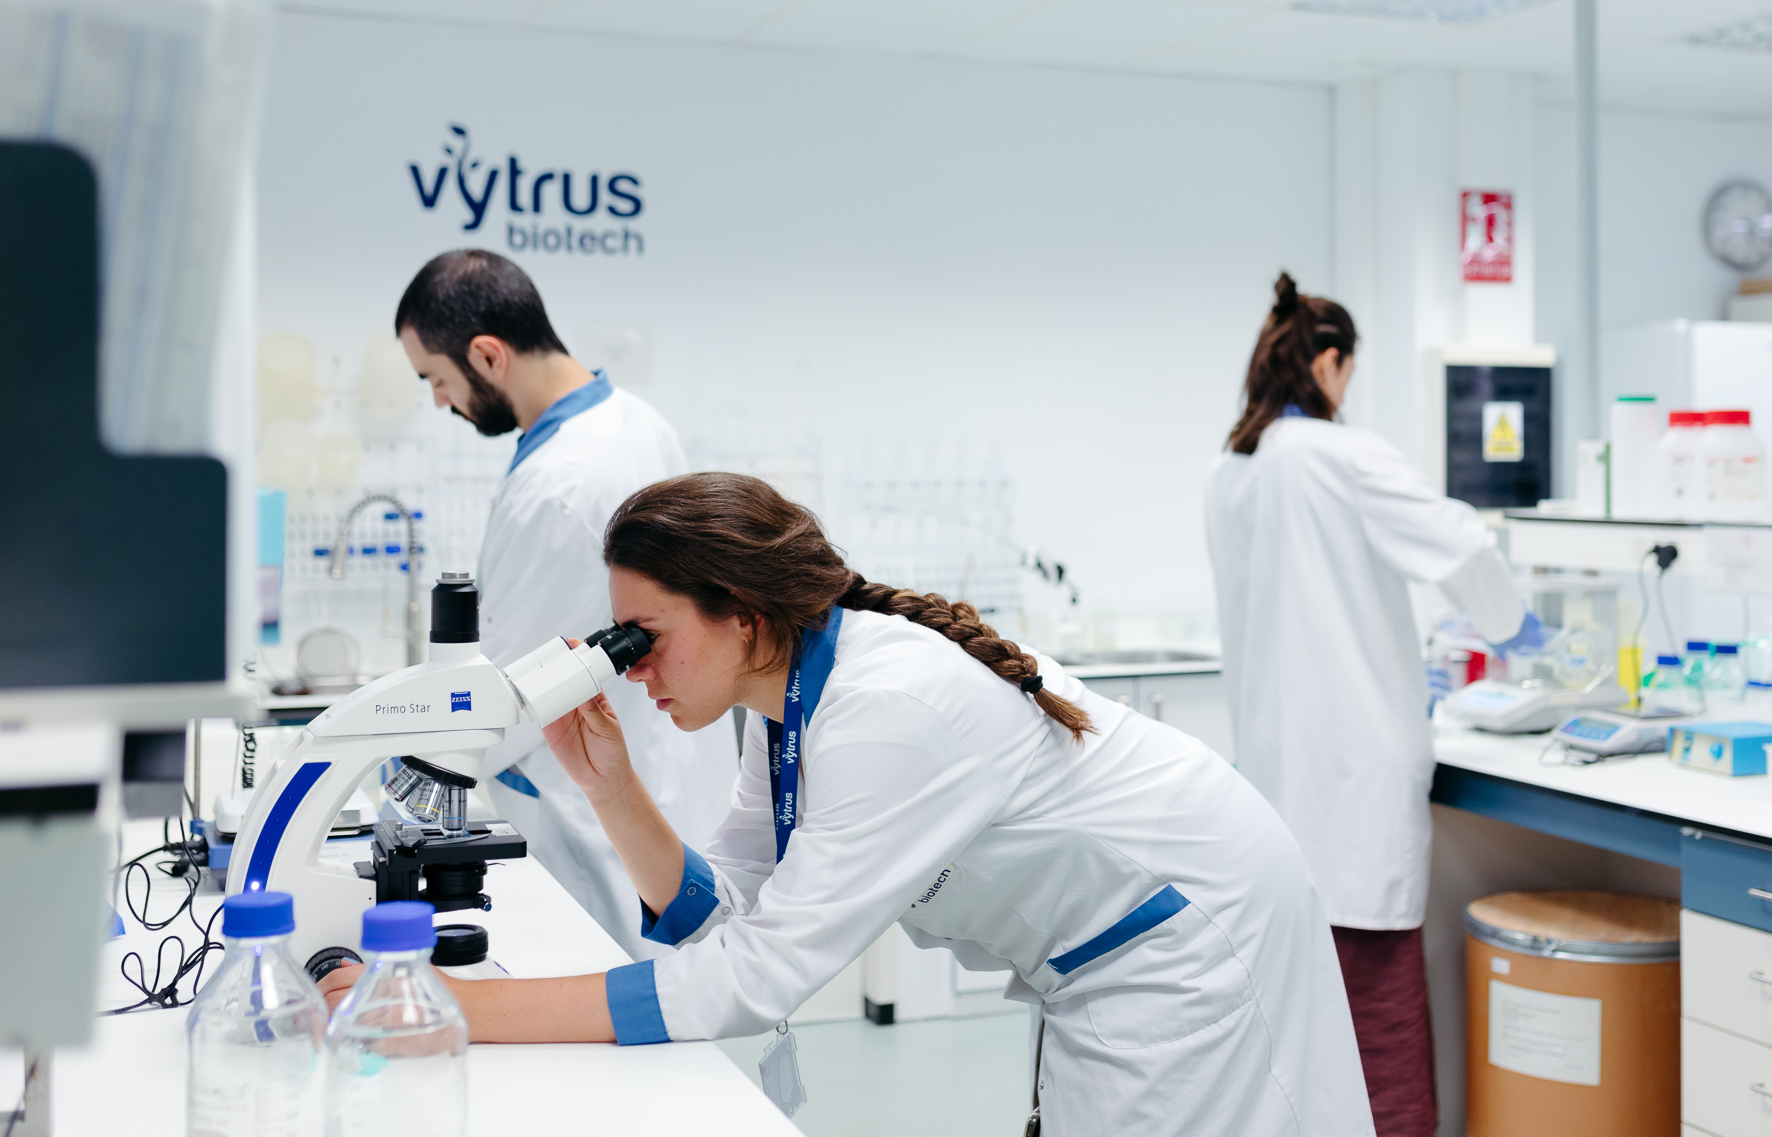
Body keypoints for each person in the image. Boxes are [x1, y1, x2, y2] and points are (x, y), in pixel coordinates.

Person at [324, 471, 1375, 1137]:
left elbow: (750, 979)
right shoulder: (784, 705)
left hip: (1194, 940)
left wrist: (451, 1009)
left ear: (741, 615)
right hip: (1096, 958)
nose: (631, 667)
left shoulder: (886, 711)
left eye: (647, 637)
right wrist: (610, 786)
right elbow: (723, 916)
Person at [1204, 273, 1539, 1137]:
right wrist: (1513, 624)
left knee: (1304, 1026)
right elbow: (1459, 542)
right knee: (1378, 1023)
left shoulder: (1232, 471)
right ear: (1328, 364)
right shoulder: (1337, 455)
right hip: (1354, 781)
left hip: (1279, 778)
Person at [394, 249, 735, 956]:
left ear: (488, 355)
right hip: (659, 789)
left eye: (435, 378)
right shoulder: (632, 420)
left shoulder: (562, 485)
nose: (439, 400)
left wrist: (397, 755)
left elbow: (509, 698)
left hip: (598, 831)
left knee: (625, 1000)